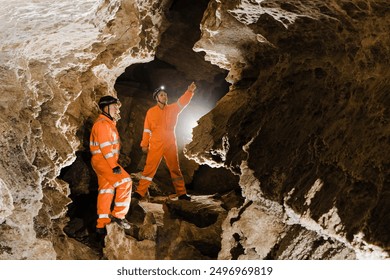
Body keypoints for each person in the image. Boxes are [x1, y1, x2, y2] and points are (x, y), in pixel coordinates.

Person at [133, 82, 197, 201]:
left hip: (170, 143)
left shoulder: (173, 108)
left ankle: (182, 193)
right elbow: (147, 129)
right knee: (149, 169)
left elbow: (182, 102)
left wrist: (189, 92)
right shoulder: (151, 112)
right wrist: (144, 144)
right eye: (162, 95)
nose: (164, 96)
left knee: (175, 169)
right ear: (157, 98)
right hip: (156, 144)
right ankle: (139, 193)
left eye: (165, 95)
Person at [90, 95, 132, 234]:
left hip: (102, 161)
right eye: (114, 107)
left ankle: (101, 224)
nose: (116, 110)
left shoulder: (108, 123)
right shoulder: (102, 125)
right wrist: (113, 165)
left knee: (106, 189)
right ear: (106, 108)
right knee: (125, 182)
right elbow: (105, 147)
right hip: (104, 161)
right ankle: (119, 216)